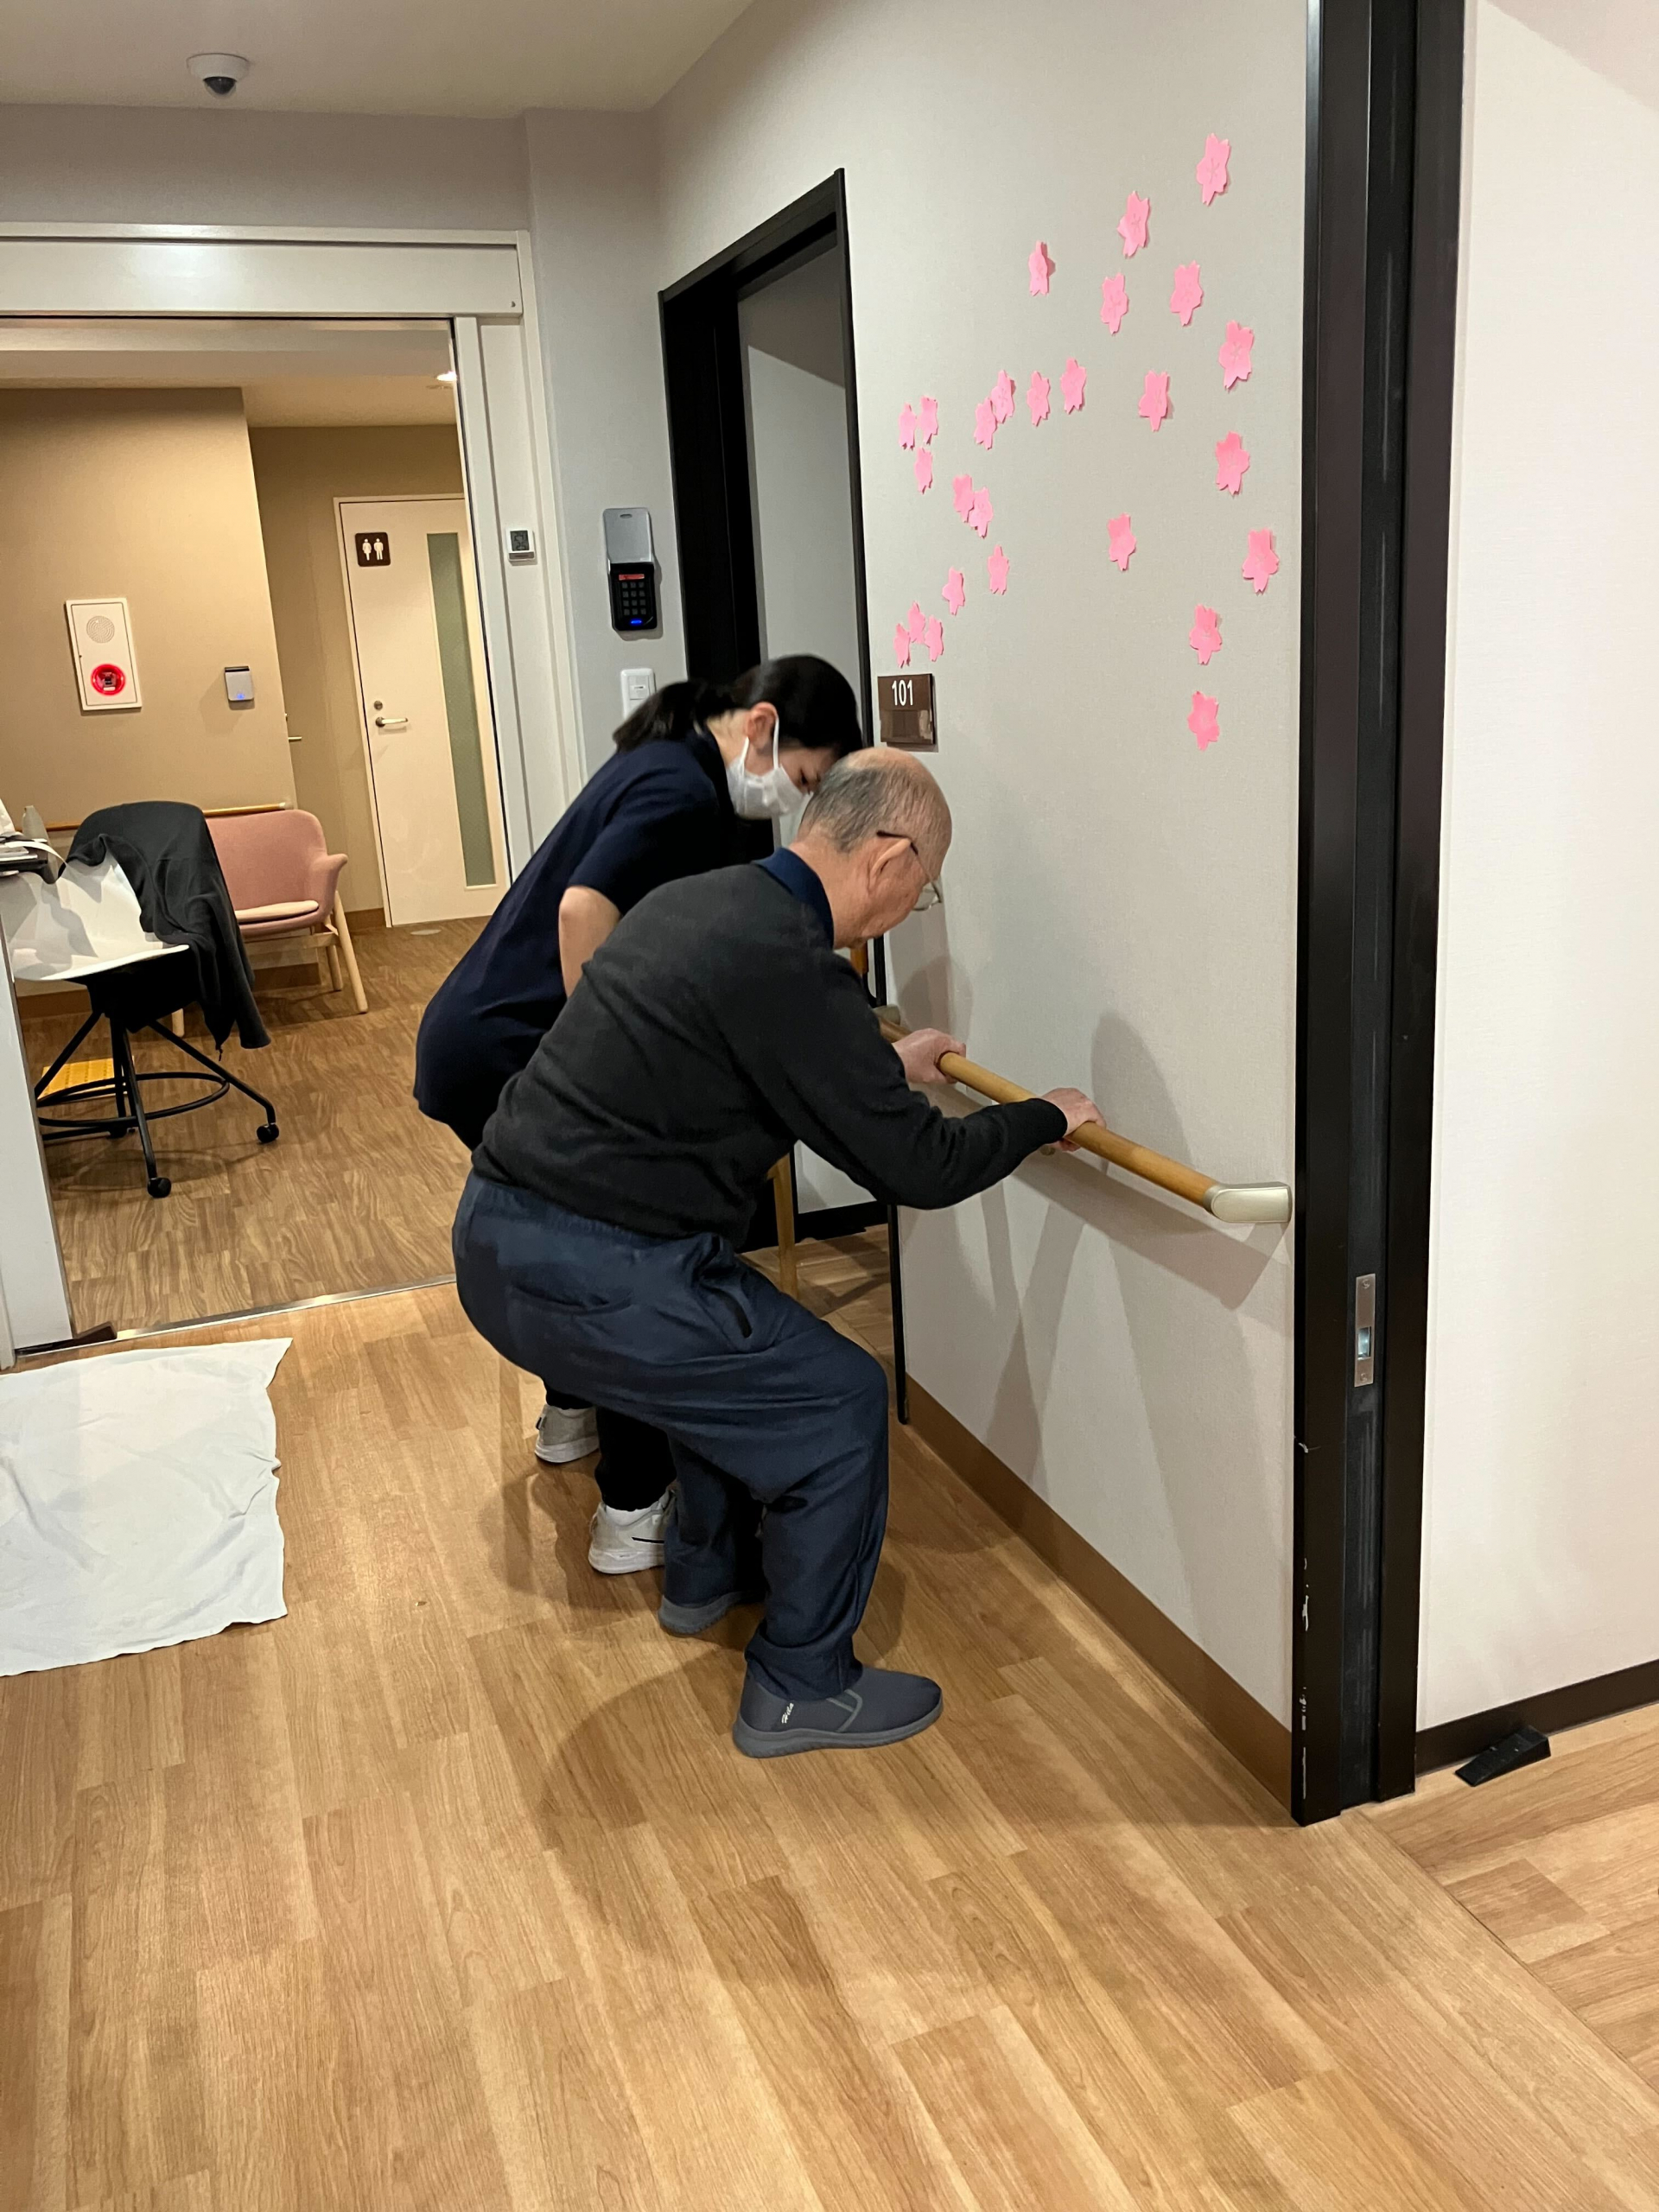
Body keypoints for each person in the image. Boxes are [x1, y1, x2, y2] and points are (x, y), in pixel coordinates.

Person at [452, 749, 1105, 1758]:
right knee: (837, 1400)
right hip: (595, 1273)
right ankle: (801, 1684)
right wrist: (1042, 1118)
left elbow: (750, 1056)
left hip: (499, 1237)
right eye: (925, 885)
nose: (914, 905)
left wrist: (878, 1062)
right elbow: (920, 1166)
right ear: (888, 859)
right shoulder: (796, 968)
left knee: (727, 1372)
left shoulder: (699, 906)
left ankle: (705, 1575)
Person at [416, 658, 861, 1574]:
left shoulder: (668, 762)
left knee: (572, 1247)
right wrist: (611, 1058)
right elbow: (584, 911)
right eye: (803, 777)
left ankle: (569, 1414)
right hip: (509, 1041)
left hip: (476, 1030)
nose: (793, 801)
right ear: (762, 725)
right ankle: (632, 1505)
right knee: (624, 1256)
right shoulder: (680, 790)